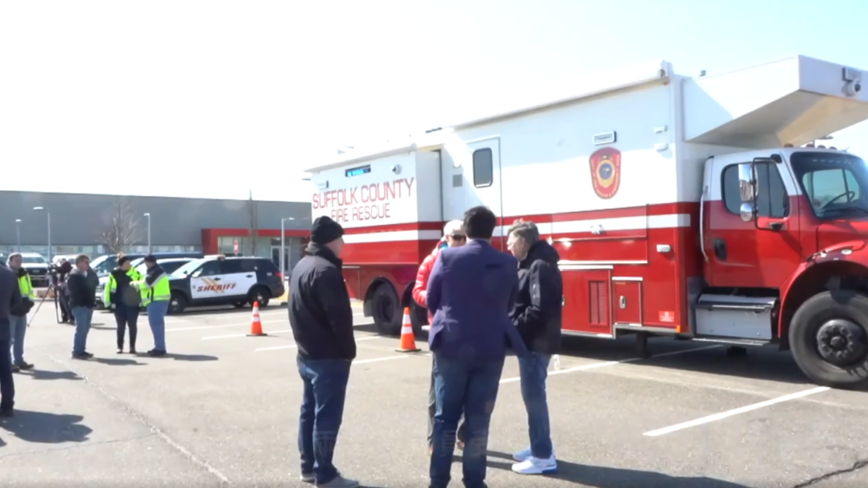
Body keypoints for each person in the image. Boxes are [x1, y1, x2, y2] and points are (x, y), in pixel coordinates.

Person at [426, 206, 528, 488]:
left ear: (466, 230)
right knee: (479, 419)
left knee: (445, 418)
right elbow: (511, 303)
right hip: (490, 346)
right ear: (492, 231)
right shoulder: (507, 262)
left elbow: (432, 298)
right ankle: (474, 481)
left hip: (451, 345)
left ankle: (438, 481)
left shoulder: (447, 256)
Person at [288, 216, 359, 488]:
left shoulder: (302, 266)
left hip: (306, 354)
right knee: (327, 417)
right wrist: (348, 352)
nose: (343, 244)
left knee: (309, 412)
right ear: (332, 240)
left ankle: (308, 467)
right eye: (341, 239)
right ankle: (325, 474)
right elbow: (339, 318)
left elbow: (294, 310)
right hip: (328, 357)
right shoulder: (326, 271)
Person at [505, 220, 563, 475]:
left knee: (534, 398)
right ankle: (540, 445)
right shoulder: (535, 263)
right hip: (532, 341)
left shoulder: (539, 266)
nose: (508, 247)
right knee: (533, 398)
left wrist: (513, 328)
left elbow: (539, 309)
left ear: (523, 242)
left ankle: (542, 457)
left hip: (535, 343)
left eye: (511, 242)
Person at [412, 220, 468, 456]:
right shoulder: (432, 260)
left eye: (464, 237)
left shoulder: (470, 259)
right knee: (438, 389)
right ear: (446, 238)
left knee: (469, 387)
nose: (461, 241)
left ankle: (463, 435)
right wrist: (437, 299)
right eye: (457, 237)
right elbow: (417, 291)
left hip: (467, 331)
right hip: (442, 331)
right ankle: (433, 440)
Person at [133, 255, 170, 357]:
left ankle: (160, 348)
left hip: (157, 301)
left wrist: (134, 284)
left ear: (147, 262)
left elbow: (146, 284)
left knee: (156, 325)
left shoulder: (156, 271)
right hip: (157, 301)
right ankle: (159, 346)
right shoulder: (156, 270)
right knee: (158, 325)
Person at [105, 254, 143, 354]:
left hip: (133, 304)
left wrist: (141, 302)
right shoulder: (114, 274)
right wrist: (109, 303)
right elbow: (108, 289)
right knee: (120, 326)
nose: (129, 264)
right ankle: (120, 346)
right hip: (119, 304)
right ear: (121, 264)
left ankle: (132, 347)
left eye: (129, 262)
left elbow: (142, 287)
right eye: (127, 263)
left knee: (132, 326)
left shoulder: (136, 273)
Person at [6, 253, 36, 372]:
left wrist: (30, 303)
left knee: (19, 338)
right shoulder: (6, 273)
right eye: (16, 260)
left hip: (22, 310)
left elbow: (29, 290)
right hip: (10, 311)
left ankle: (19, 360)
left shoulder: (24, 273)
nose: (19, 262)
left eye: (20, 260)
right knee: (8, 339)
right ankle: (7, 363)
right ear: (10, 261)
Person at [0, 262, 22, 417]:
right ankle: (7, 405)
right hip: (2, 323)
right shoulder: (9, 274)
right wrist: (5, 310)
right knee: (4, 367)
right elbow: (17, 301)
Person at [67, 254, 98, 359]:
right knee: (81, 329)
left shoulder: (88, 273)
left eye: (88, 262)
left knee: (85, 328)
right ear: (79, 263)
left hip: (88, 304)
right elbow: (79, 289)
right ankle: (77, 351)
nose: (88, 264)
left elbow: (96, 282)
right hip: (79, 305)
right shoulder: (74, 274)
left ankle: (81, 350)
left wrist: (91, 272)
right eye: (86, 262)